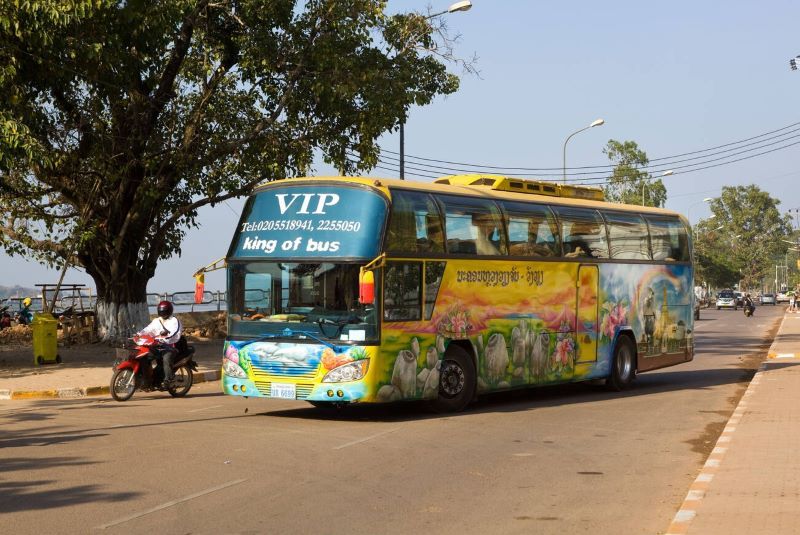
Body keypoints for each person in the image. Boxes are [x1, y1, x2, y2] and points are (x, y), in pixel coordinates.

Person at [138, 301, 182, 387]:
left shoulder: (174, 321)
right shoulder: (156, 320)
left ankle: (168, 379)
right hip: (157, 346)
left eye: (164, 311)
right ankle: (146, 379)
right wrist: (139, 334)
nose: (163, 313)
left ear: (169, 311)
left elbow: (174, 333)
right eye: (161, 311)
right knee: (143, 357)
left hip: (169, 346)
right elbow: (148, 329)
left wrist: (164, 337)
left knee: (166, 359)